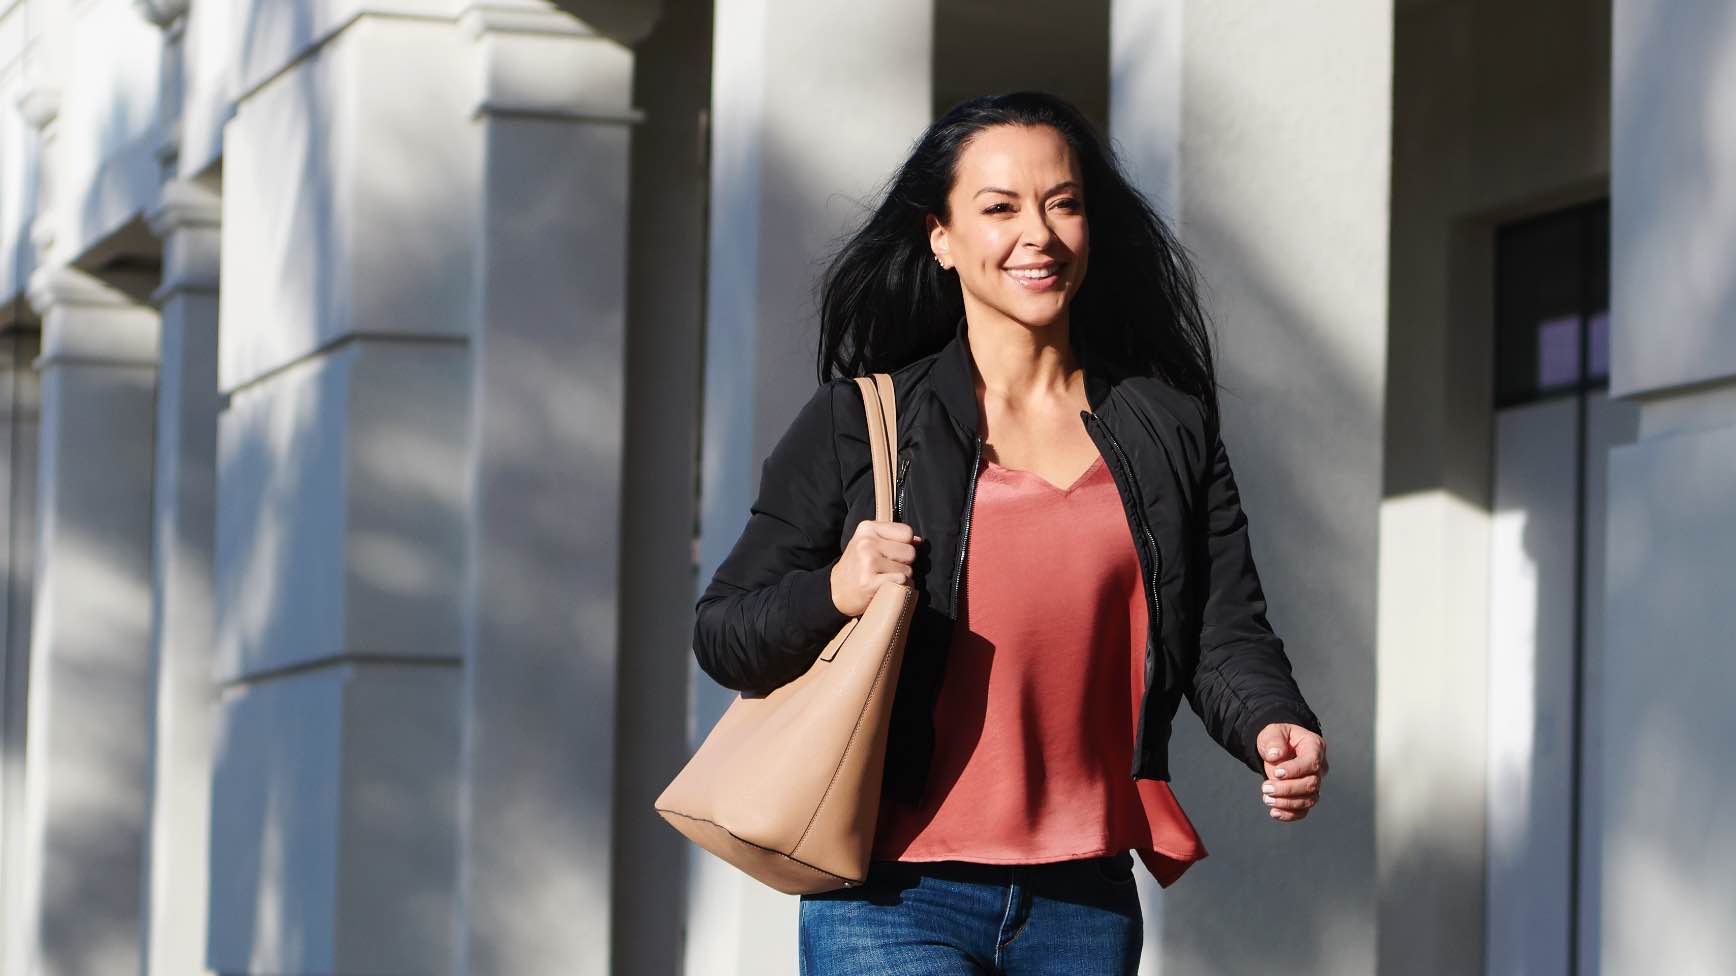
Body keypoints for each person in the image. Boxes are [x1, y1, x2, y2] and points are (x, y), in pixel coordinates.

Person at [690, 91, 1329, 975]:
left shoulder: (1167, 428)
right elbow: (724, 632)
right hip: (892, 897)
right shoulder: (860, 423)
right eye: (1000, 208)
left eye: (1062, 203)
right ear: (941, 237)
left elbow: (1222, 625)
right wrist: (837, 591)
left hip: (1084, 899)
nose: (1040, 233)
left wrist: (1272, 721)